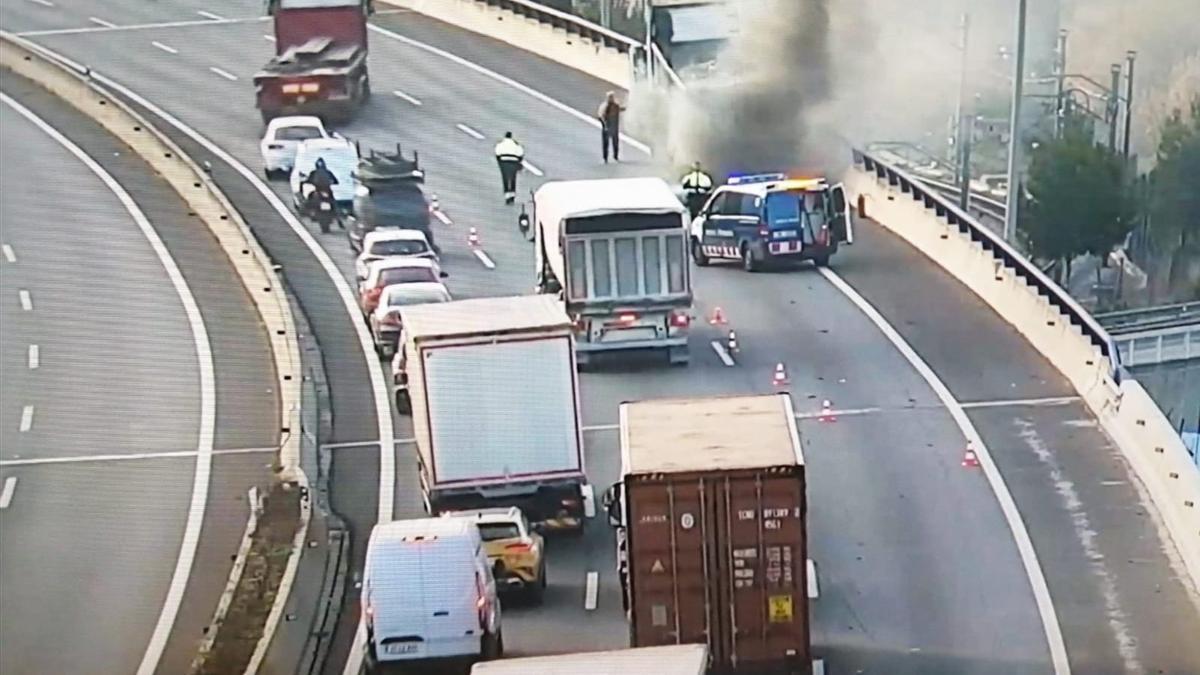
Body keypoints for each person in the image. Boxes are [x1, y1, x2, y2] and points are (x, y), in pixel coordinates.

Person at [493, 131, 525, 204]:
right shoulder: (516, 144)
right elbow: (520, 153)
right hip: (514, 161)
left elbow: (497, 153)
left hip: (504, 161)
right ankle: (512, 194)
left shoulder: (500, 144)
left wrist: (500, 162)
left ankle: (507, 195)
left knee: (505, 178)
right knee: (513, 178)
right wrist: (518, 161)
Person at [597, 91, 625, 163]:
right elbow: (601, 116)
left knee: (615, 142)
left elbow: (620, 109)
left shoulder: (615, 106)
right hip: (607, 128)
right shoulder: (605, 107)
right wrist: (605, 125)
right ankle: (605, 158)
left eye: (612, 97)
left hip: (614, 128)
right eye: (610, 97)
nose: (611, 99)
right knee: (606, 144)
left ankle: (615, 156)